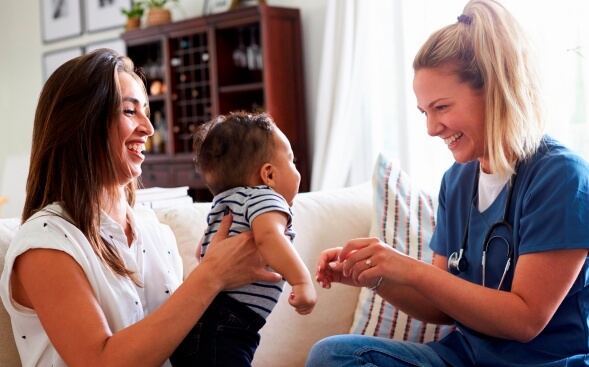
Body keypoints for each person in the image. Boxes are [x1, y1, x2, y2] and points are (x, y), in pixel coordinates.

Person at [306, 0, 589, 366]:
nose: (430, 128)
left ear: (494, 91)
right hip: (463, 358)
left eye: (441, 107)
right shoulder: (456, 182)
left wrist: (409, 267)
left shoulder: (561, 178)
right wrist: (376, 277)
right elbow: (439, 307)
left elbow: (526, 319)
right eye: (425, 112)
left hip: (542, 362)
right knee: (334, 355)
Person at [0, 49, 281, 367]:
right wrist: (211, 276)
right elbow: (99, 362)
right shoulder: (45, 244)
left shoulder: (153, 230)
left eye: (146, 111)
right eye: (130, 111)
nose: (148, 128)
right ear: (80, 124)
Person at [170, 111, 317, 366]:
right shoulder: (265, 197)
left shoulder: (226, 203)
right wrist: (302, 281)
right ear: (268, 175)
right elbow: (269, 236)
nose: (297, 169)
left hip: (203, 322)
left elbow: (201, 252)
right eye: (291, 161)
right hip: (227, 326)